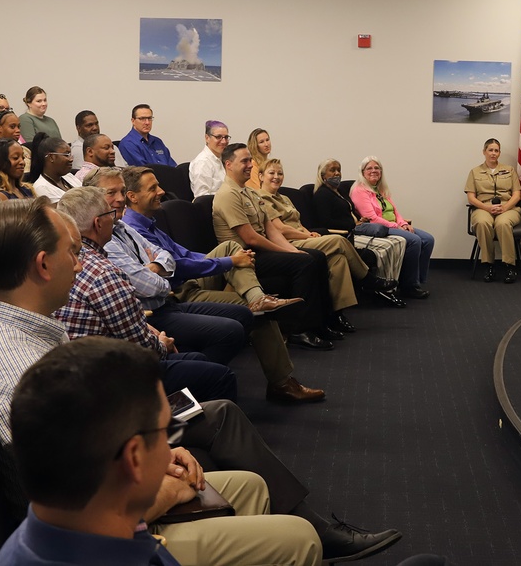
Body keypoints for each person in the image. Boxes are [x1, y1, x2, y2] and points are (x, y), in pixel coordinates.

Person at [0, 197, 401, 563]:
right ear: (43, 265)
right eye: (74, 251)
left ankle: (295, 531)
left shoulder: (0, 332)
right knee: (297, 536)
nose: (81, 261)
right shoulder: (17, 369)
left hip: (107, 486)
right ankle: (309, 535)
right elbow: (72, 508)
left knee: (238, 452)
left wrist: (151, 455)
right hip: (105, 538)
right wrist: (162, 485)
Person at [0, 337, 323, 566]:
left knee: (250, 485)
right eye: (167, 432)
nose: (172, 447)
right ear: (134, 458)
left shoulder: (74, 517)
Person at [119, 166, 325, 403]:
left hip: (183, 281)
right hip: (176, 292)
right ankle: (281, 382)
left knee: (231, 249)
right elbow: (176, 265)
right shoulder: (132, 228)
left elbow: (180, 255)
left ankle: (257, 296)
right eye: (153, 188)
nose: (162, 191)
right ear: (132, 196)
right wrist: (226, 263)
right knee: (260, 312)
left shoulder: (147, 223)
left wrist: (224, 260)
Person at [54, 187, 238, 404]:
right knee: (219, 376)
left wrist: (153, 269)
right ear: (98, 223)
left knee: (199, 359)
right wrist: (161, 343)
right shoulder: (103, 272)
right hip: (108, 377)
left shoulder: (72, 259)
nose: (118, 207)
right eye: (110, 214)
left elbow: (165, 258)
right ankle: (170, 428)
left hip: (92, 361)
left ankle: (177, 420)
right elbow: (146, 341)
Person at [213, 144, 338, 349]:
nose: (250, 165)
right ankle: (298, 330)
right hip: (245, 258)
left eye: (249, 160)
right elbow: (251, 238)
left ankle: (322, 323)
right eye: (244, 161)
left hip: (262, 252)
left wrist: (294, 250)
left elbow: (271, 230)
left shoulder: (251, 193)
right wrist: (292, 254)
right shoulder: (227, 194)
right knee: (304, 263)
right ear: (228, 164)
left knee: (316, 256)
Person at [258, 158, 398, 333]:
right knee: (339, 241)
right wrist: (306, 234)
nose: (277, 177)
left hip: (303, 236)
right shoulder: (261, 198)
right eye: (272, 173)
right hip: (288, 243)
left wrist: (307, 232)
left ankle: (336, 315)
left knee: (338, 259)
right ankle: (367, 278)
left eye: (280, 173)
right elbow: (280, 230)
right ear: (261, 176)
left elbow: (298, 223)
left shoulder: (285, 198)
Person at [313, 158, 407, 306]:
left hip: (353, 229)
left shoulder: (339, 192)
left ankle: (383, 286)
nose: (337, 173)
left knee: (371, 254)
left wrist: (358, 219)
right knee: (384, 248)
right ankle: (376, 284)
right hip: (341, 233)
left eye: (339, 169)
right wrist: (353, 223)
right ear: (323, 174)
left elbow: (348, 211)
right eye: (332, 170)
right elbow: (326, 221)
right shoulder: (322, 194)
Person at [350, 156, 434, 299]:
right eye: (369, 168)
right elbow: (371, 217)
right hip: (379, 227)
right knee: (414, 241)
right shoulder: (359, 190)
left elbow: (395, 211)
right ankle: (409, 286)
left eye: (377, 168)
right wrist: (396, 226)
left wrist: (403, 223)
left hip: (394, 225)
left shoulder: (380, 189)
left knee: (428, 239)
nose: (374, 171)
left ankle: (416, 280)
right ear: (363, 172)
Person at [464, 138, 521, 284]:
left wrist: (505, 207)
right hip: (483, 207)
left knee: (502, 223)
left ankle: (510, 266)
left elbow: (517, 195)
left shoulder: (509, 170)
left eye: (496, 150)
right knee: (482, 222)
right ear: (484, 152)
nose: (493, 153)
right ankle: (488, 266)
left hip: (508, 207)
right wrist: (487, 208)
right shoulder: (475, 172)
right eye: (490, 150)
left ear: (499, 153)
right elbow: (471, 198)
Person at [30, 135, 81, 202]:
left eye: (70, 154)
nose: (71, 159)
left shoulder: (69, 176)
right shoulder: (41, 187)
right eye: (66, 155)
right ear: (51, 157)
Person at [188, 120, 229, 198]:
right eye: (218, 137)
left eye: (226, 137)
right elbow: (202, 197)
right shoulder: (202, 162)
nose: (224, 141)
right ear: (207, 138)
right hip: (214, 208)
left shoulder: (223, 158)